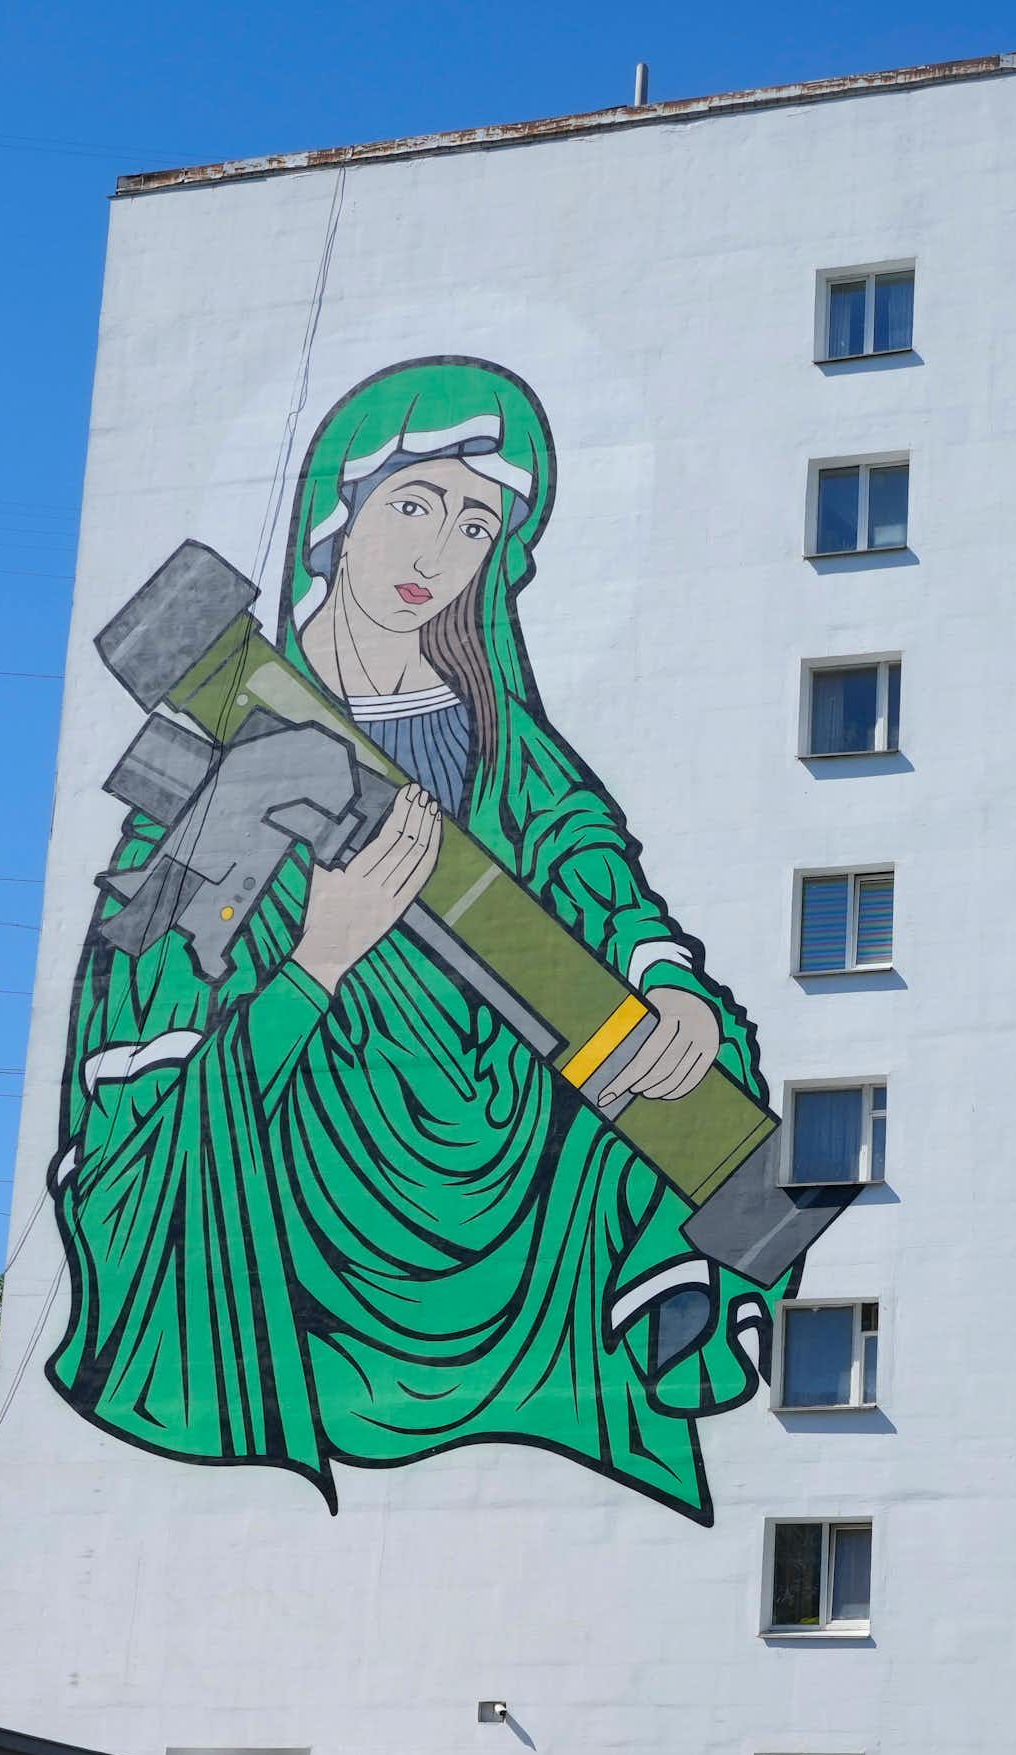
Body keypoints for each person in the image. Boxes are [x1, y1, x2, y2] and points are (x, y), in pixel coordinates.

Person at [46, 356, 800, 1524]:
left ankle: (660, 1294)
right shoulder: (238, 726)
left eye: (475, 524)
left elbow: (598, 878)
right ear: (338, 517)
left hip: (516, 1103)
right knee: (186, 1122)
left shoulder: (505, 741)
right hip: (307, 1141)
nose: (435, 554)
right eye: (412, 504)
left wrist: (671, 985)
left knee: (705, 1061)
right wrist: (319, 962)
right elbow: (150, 1000)